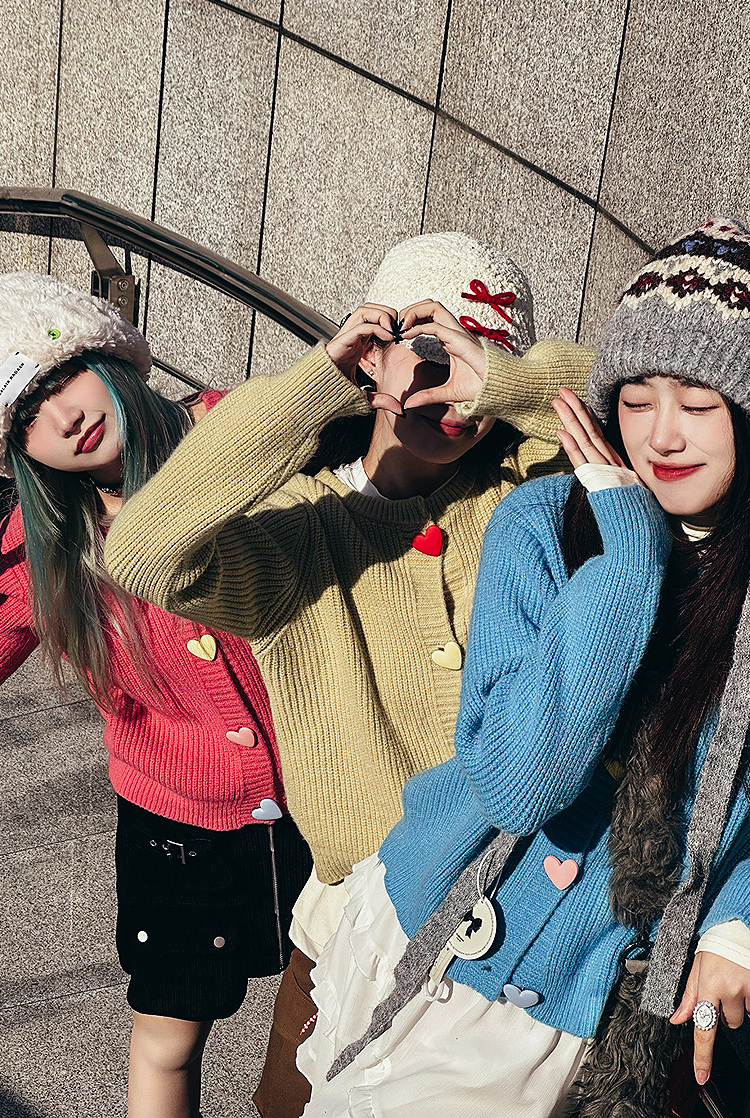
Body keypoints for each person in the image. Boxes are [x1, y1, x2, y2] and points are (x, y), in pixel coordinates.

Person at [102, 231, 595, 1117]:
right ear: (373, 351)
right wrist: (319, 381)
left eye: (475, 361)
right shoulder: (299, 533)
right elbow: (144, 551)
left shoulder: (526, 488)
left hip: (521, 922)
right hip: (355, 930)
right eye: (428, 352)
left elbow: (641, 408)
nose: (450, 389)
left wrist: (507, 380)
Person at [283, 217, 750, 1118]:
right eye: (635, 399)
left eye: (699, 405)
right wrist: (625, 561)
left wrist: (737, 919)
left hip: (566, 999)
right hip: (428, 914)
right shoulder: (544, 521)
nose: (662, 436)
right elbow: (519, 782)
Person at [0, 272, 312, 1118]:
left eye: (61, 375)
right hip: (177, 822)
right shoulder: (48, 544)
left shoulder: (235, 428)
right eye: (24, 418)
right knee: (168, 1035)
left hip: (329, 787)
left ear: (110, 356)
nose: (60, 417)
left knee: (323, 1019)